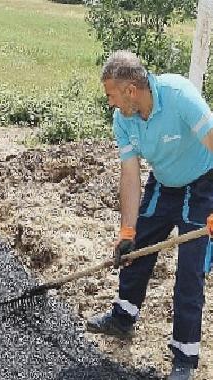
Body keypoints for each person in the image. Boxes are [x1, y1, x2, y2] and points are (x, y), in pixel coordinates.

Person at [86, 50, 213, 380]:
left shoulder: (179, 96)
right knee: (137, 246)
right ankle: (123, 317)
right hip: (164, 181)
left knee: (190, 272)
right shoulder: (123, 121)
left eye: (112, 95)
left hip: (203, 184)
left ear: (130, 90)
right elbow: (130, 175)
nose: (110, 103)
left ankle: (184, 357)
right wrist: (127, 231)